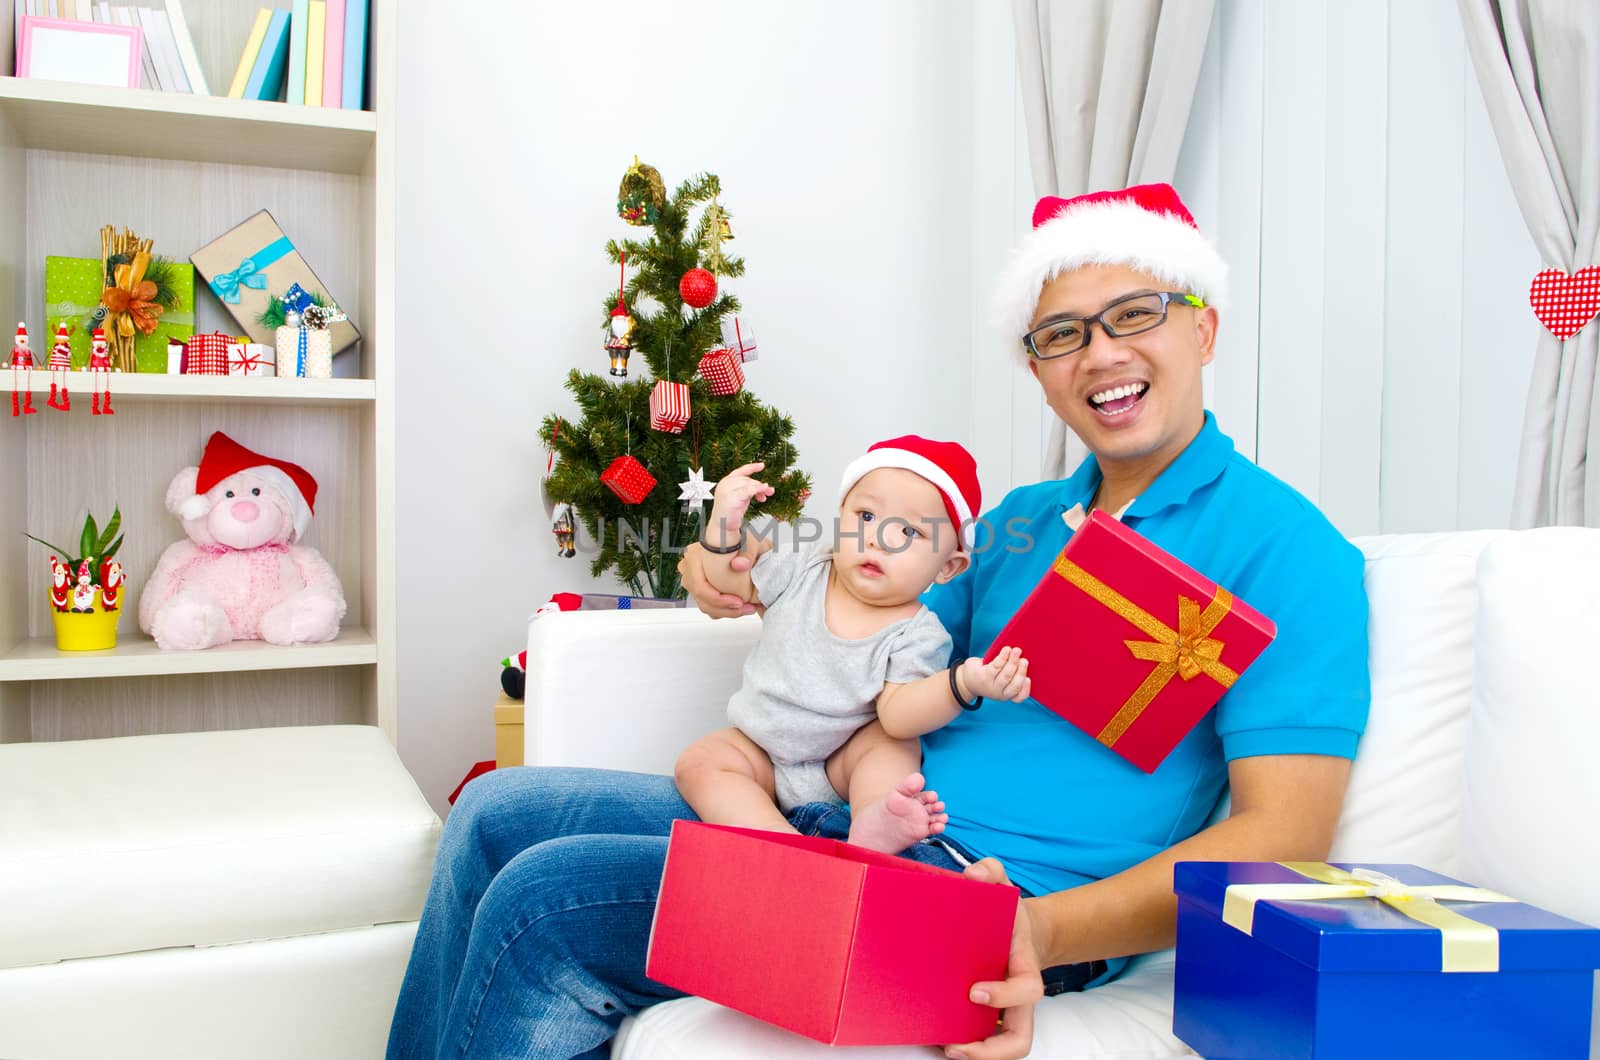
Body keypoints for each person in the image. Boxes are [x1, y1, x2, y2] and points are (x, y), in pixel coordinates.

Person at [386, 182, 1369, 1060]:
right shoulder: (1018, 522)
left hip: (987, 900)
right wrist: (726, 561)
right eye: (1061, 332)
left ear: (1202, 325)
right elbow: (865, 635)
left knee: (546, 906)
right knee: (491, 814)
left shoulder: (1290, 550)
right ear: (1038, 368)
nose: (1100, 353)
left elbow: (1280, 830)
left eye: (1134, 314)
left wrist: (1038, 934)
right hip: (858, 826)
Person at [674, 439, 1032, 855]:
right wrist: (724, 527)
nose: (880, 539)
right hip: (759, 747)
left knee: (891, 745)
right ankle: (781, 845)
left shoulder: (919, 633)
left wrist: (963, 682)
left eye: (910, 531)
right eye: (865, 515)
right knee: (699, 763)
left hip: (840, 763)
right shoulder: (804, 570)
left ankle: (873, 822)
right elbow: (729, 584)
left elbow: (898, 715)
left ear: (948, 566)